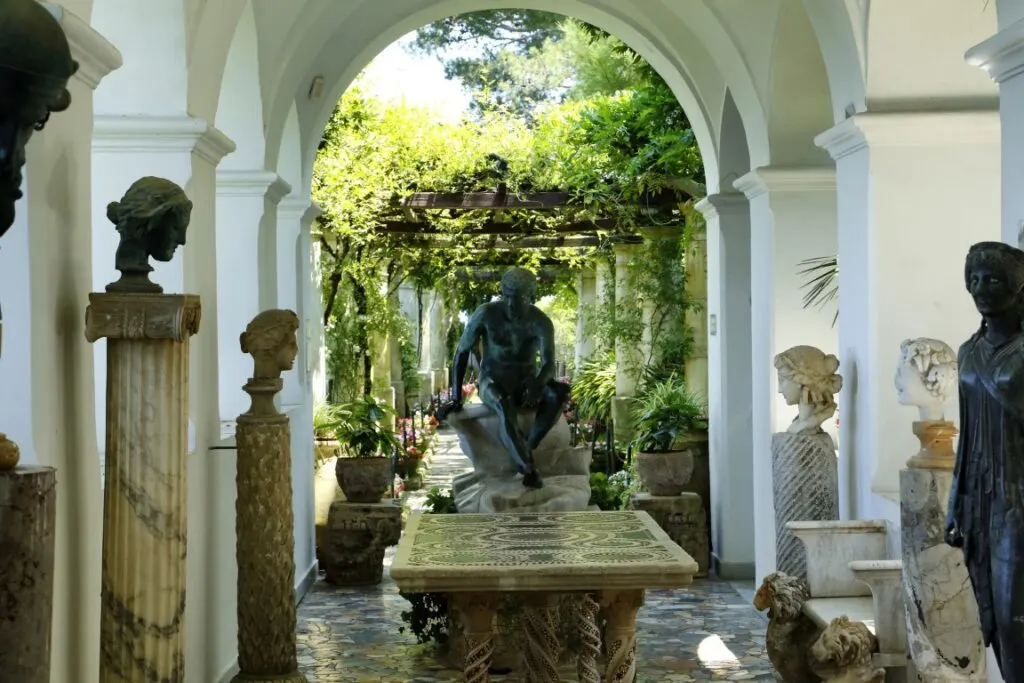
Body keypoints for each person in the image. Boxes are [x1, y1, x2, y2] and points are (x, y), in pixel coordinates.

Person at [946, 241, 1024, 683]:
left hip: (1018, 495)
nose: (981, 288)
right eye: (974, 279)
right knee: (989, 613)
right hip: (978, 494)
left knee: (1015, 613)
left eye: (993, 280)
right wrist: (956, 501)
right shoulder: (967, 351)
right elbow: (968, 430)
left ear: (1018, 287)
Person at [438, 267, 569, 488]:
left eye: (517, 299)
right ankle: (528, 468)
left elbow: (548, 363)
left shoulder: (540, 321)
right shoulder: (486, 313)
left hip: (525, 381)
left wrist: (538, 384)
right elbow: (461, 352)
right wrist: (456, 397)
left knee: (559, 393)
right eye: (506, 297)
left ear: (530, 296)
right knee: (502, 403)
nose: (510, 304)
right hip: (492, 379)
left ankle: (525, 447)